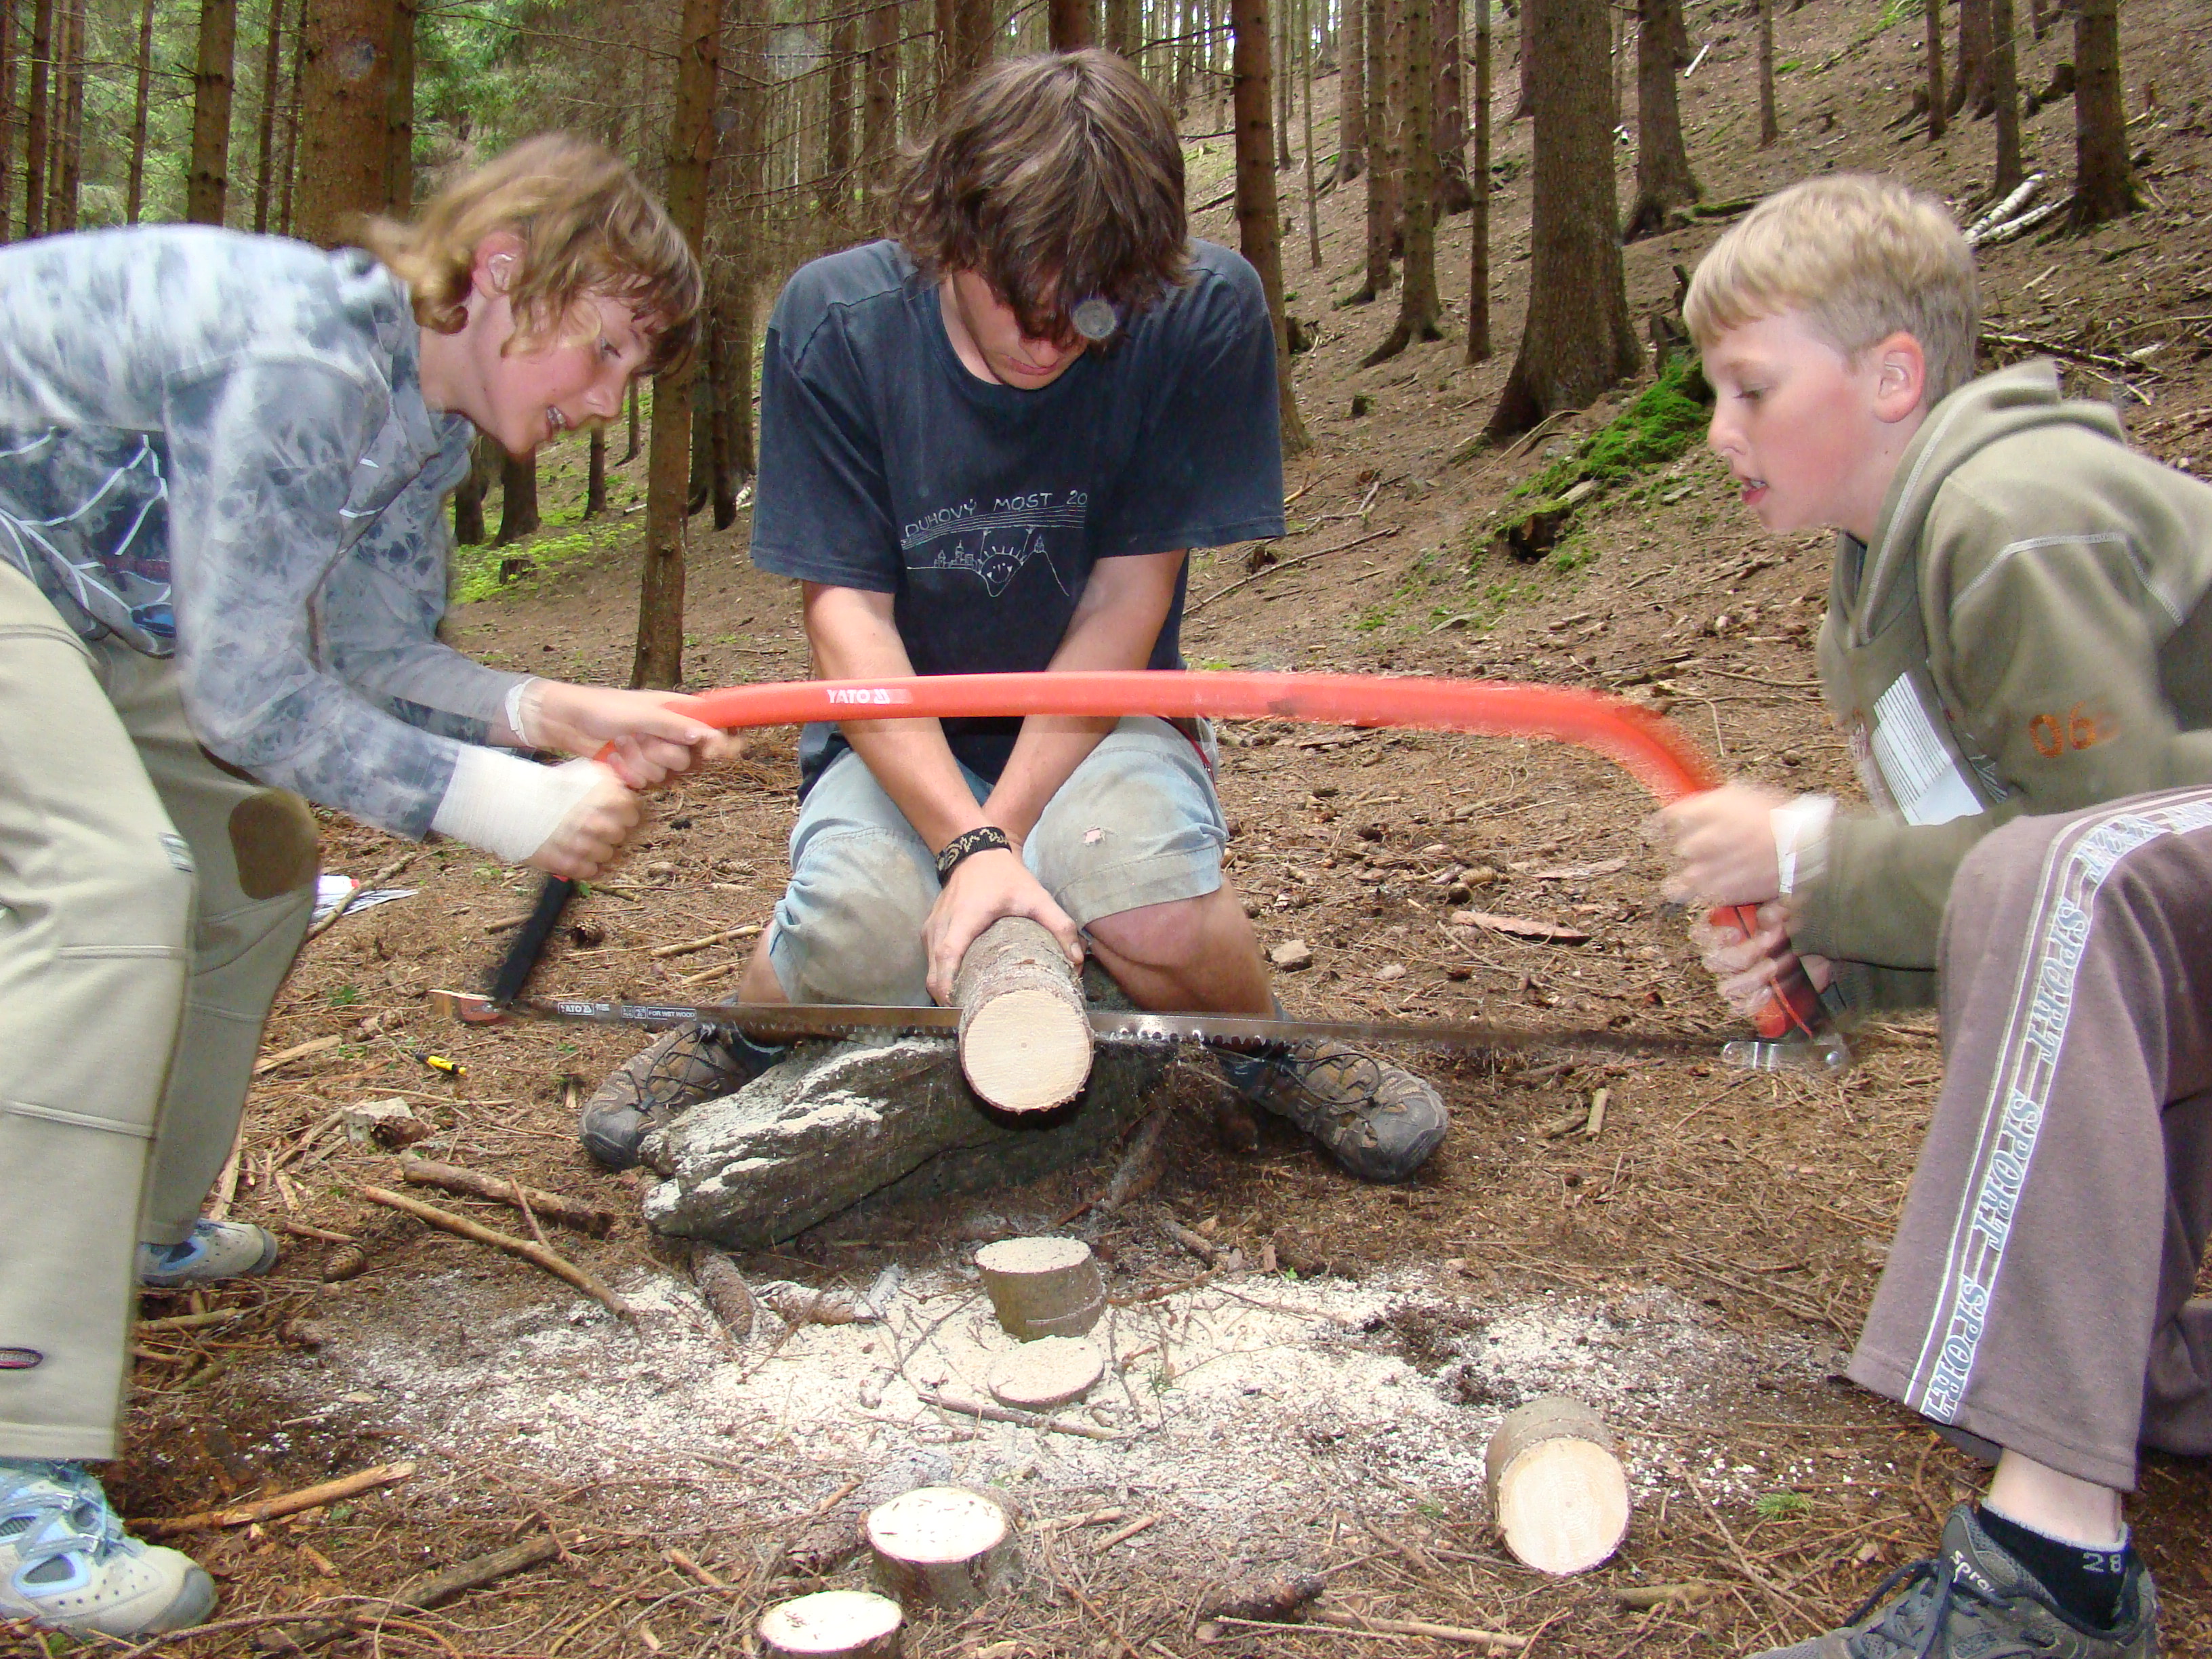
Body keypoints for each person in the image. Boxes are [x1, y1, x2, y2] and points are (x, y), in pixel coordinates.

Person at [0, 134, 733, 1637]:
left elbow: (379, 657)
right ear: (505, 272)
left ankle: (124, 1226)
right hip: (33, 575)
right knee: (111, 890)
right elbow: (255, 697)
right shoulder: (303, 357)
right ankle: (17, 1450)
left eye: (633, 376)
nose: (608, 401)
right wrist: (512, 806)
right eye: (603, 351)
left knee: (256, 869)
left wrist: (551, 713)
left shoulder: (417, 425)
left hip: (89, 604)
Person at [576, 49, 1446, 1185]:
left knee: (1156, 911)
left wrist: (1001, 837)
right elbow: (847, 619)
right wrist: (974, 846)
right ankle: (741, 1033)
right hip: (893, 722)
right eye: (1020, 304)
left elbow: (1128, 594)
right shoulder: (836, 324)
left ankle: (1261, 1045)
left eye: (1087, 315)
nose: (1049, 343)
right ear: (951, 232)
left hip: (1106, 712)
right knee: (853, 937)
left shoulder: (1199, 312)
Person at [1656, 173, 2212, 1655]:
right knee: (2045, 891)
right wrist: (1834, 954)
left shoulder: (2010, 516)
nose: (1718, 433)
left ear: (1892, 376)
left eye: (1751, 389)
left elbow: (2109, 851)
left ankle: (2052, 1581)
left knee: (2061, 879)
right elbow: (2046, 919)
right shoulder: (1877, 593)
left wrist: (1815, 852)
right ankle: (2133, 1375)